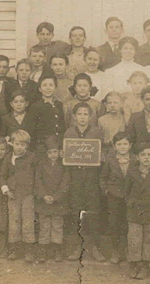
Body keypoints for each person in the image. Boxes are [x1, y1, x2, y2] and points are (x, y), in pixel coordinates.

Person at [64, 103, 106, 262]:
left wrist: (100, 156)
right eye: (79, 114)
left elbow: (100, 152)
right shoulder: (69, 132)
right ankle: (77, 247)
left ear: (90, 117)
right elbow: (68, 154)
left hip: (92, 177)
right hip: (75, 177)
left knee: (93, 211)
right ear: (74, 116)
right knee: (75, 210)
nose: (82, 117)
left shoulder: (96, 132)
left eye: (85, 114)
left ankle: (94, 246)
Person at [125, 142, 150, 279]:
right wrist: (131, 203)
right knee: (134, 238)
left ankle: (146, 265)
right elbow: (127, 191)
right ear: (137, 157)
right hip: (135, 211)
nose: (146, 158)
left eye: (149, 155)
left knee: (149, 239)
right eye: (143, 155)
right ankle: (135, 264)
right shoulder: (131, 172)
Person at [100, 132, 138, 264]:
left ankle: (127, 251)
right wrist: (106, 190)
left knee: (129, 224)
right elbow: (103, 178)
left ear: (130, 145)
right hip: (114, 197)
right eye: (119, 144)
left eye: (125, 144)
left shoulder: (135, 160)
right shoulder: (110, 160)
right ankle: (115, 252)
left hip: (130, 197)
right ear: (114, 146)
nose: (122, 147)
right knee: (114, 224)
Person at [0, 129, 38, 262]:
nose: (19, 147)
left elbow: (37, 175)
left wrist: (34, 190)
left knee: (28, 222)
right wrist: (6, 190)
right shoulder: (8, 158)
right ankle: (14, 249)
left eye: (23, 144)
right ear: (12, 144)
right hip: (13, 195)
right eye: (17, 144)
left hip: (27, 194)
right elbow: (3, 176)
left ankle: (29, 251)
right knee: (14, 221)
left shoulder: (32, 157)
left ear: (27, 145)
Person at [34, 135, 70, 263]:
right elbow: (37, 180)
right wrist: (44, 195)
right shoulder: (41, 164)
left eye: (55, 152)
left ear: (59, 151)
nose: (53, 155)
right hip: (44, 200)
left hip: (58, 201)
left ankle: (57, 250)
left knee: (57, 225)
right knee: (44, 226)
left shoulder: (64, 164)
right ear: (46, 152)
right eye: (50, 152)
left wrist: (56, 197)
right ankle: (43, 251)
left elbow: (65, 183)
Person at [24, 75, 66, 155]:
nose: (48, 88)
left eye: (51, 85)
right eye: (44, 85)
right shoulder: (35, 107)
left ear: (55, 88)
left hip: (58, 147)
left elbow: (62, 127)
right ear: (40, 89)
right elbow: (30, 130)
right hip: (41, 148)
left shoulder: (60, 105)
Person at [98, 91, 126, 157]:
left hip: (123, 151)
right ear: (105, 104)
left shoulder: (125, 118)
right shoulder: (101, 120)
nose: (112, 105)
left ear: (121, 103)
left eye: (115, 102)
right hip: (107, 152)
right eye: (109, 103)